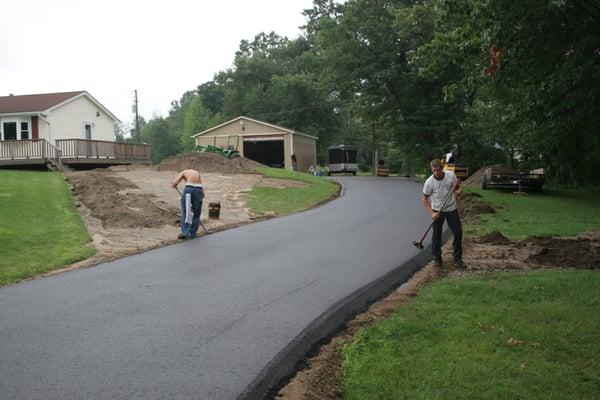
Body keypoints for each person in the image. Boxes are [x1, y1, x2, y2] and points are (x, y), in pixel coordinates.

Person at [421, 159, 466, 269]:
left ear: (442, 168)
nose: (436, 172)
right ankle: (437, 259)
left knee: (458, 233)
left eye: (438, 170)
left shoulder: (450, 176)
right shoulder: (429, 182)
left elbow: (457, 188)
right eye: (434, 170)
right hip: (437, 211)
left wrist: (458, 192)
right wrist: (432, 213)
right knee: (436, 235)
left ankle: (457, 259)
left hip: (451, 209)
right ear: (431, 170)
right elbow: (424, 200)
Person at [172, 169, 205, 239]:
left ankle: (185, 232)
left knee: (185, 211)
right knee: (197, 212)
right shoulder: (197, 172)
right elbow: (202, 190)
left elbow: (175, 183)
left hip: (188, 189)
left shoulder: (183, 172)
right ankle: (192, 233)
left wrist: (174, 185)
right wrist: (200, 197)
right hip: (199, 190)